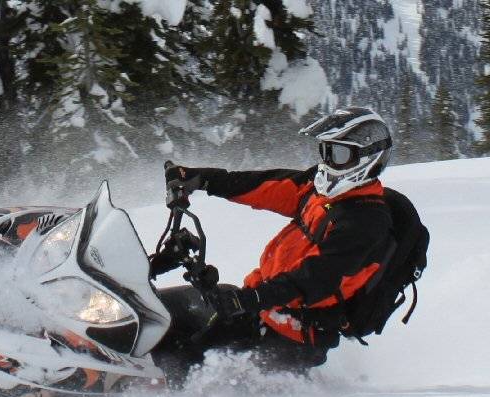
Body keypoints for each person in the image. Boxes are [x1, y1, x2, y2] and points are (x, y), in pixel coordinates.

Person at [150, 107, 396, 381]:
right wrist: (203, 179)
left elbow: (317, 277)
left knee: (190, 369)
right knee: (165, 320)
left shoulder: (365, 220)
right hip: (261, 307)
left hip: (292, 335)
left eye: (338, 154)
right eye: (325, 151)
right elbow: (263, 186)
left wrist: (252, 298)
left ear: (367, 160)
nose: (327, 163)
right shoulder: (318, 191)